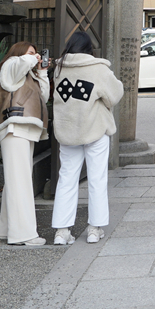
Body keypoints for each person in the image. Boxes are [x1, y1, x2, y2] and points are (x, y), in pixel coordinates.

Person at [50, 31, 124, 245]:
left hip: (67, 133)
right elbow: (115, 93)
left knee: (66, 180)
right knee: (97, 179)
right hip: (94, 129)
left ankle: (61, 231)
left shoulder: (59, 69)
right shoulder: (97, 68)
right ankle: (94, 228)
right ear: (89, 48)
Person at [0, 41, 49, 246]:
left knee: (16, 182)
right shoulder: (10, 66)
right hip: (14, 128)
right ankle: (23, 235)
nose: (36, 57)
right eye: (31, 52)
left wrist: (42, 73)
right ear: (19, 53)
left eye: (37, 54)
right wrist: (31, 58)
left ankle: (8, 230)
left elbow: (44, 97)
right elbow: (19, 64)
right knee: (21, 182)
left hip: (24, 129)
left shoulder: (28, 75)